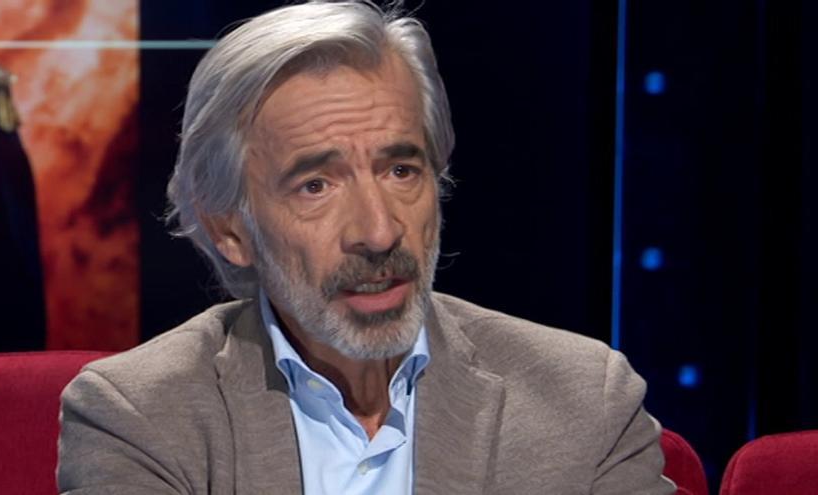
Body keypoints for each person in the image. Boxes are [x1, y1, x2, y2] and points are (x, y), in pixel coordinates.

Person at [57, 2, 675, 493]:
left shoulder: (583, 399)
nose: (379, 233)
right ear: (229, 230)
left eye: (401, 170)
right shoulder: (141, 418)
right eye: (315, 185)